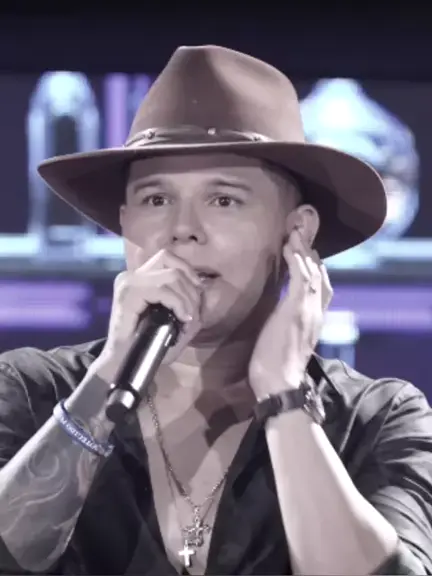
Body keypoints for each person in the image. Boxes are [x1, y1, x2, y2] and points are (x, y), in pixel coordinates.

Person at [0, 45, 431, 576]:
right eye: (156, 200)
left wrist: (284, 395)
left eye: (223, 199)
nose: (182, 229)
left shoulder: (376, 418)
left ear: (297, 231)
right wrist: (107, 378)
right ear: (124, 223)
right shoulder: (31, 390)